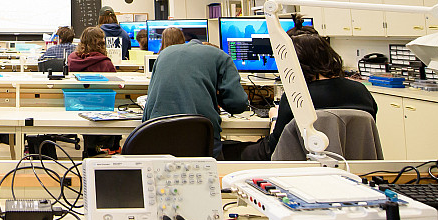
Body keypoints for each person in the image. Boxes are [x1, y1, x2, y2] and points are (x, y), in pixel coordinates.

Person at [239, 31, 378, 161]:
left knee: (229, 149)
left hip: (301, 165)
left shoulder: (297, 97)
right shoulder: (361, 91)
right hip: (356, 168)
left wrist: (275, 118)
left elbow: (274, 148)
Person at [141, 40, 248, 157]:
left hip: (152, 135)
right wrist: (218, 97)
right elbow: (238, 104)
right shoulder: (221, 56)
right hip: (199, 141)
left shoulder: (165, 53)